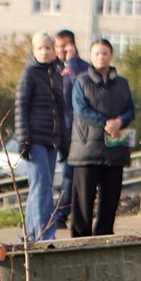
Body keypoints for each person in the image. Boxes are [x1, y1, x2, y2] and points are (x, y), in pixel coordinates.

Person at [68, 38, 135, 237]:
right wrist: (106, 122)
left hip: (115, 150)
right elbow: (80, 110)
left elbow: (131, 110)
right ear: (91, 56)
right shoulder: (82, 81)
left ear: (111, 55)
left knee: (110, 199)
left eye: (104, 53)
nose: (101, 57)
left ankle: (104, 238)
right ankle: (80, 241)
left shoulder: (122, 83)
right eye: (97, 53)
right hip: (87, 149)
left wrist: (120, 121)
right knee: (83, 201)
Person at [15, 32, 67, 241]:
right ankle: (44, 234)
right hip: (34, 138)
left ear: (54, 50)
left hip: (51, 139)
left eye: (48, 48)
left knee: (40, 186)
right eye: (40, 48)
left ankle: (29, 234)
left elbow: (61, 109)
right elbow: (21, 106)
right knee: (42, 185)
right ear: (33, 51)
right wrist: (23, 138)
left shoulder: (56, 73)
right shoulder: (29, 73)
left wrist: (64, 139)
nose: (44, 52)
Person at [53, 29, 88, 229]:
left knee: (70, 174)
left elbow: (80, 86)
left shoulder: (81, 67)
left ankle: (61, 214)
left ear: (73, 45)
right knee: (63, 175)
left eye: (64, 46)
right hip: (57, 131)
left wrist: (72, 62)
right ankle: (58, 213)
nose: (60, 50)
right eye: (57, 46)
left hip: (76, 131)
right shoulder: (53, 67)